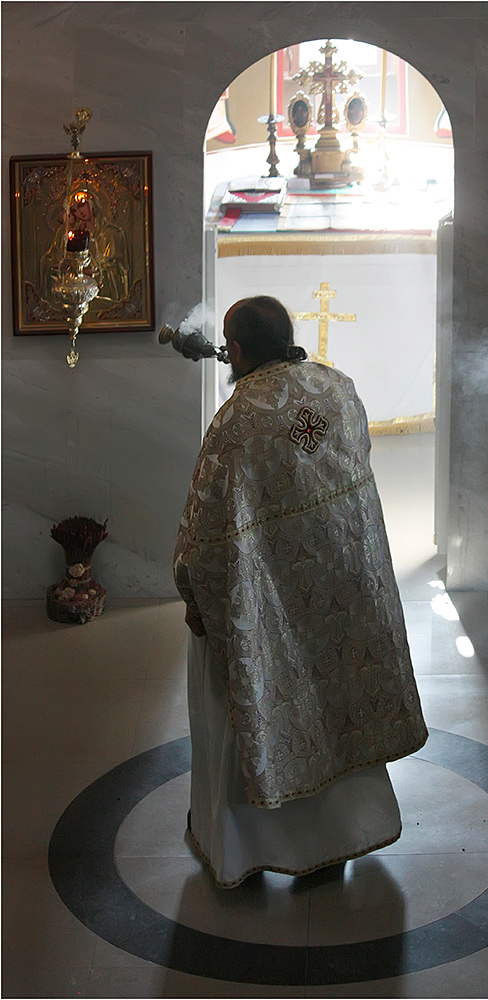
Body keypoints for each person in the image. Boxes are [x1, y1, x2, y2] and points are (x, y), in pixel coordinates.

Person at [174, 295, 428, 888]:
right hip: (341, 593)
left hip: (265, 607)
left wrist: (191, 589)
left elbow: (204, 532)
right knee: (335, 708)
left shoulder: (237, 422)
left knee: (254, 707)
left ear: (235, 351)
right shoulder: (337, 390)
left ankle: (247, 848)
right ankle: (340, 839)